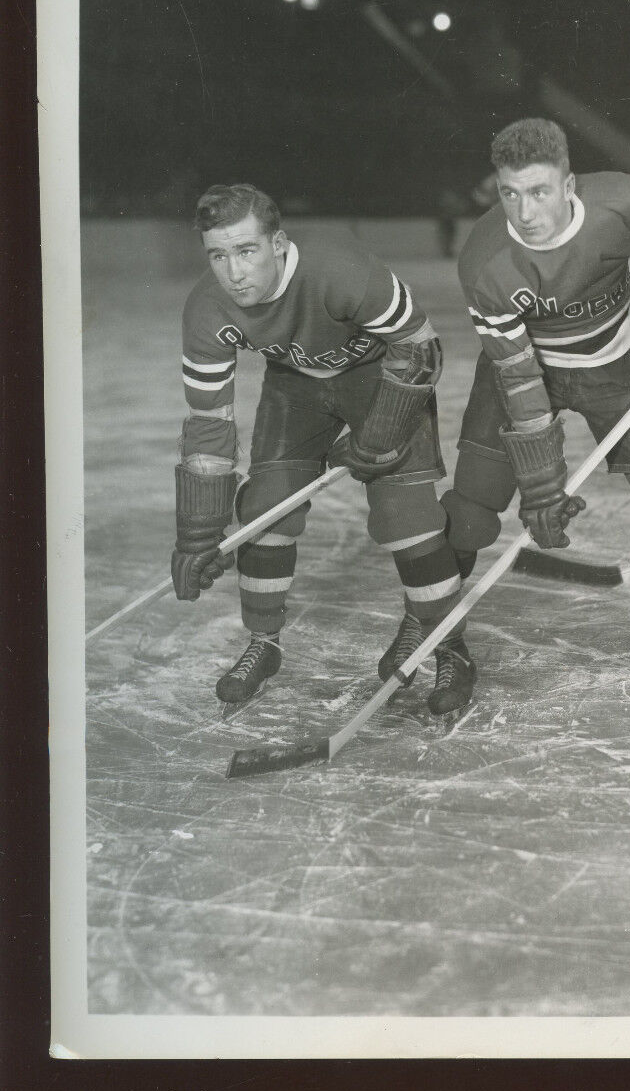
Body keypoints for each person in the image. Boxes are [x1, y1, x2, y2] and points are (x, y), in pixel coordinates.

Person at [392, 116, 630, 695]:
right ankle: (428, 626)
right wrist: (541, 486)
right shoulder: (485, 260)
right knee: (472, 507)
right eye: (510, 194)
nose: (524, 212)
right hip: (519, 372)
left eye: (539, 191)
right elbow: (519, 379)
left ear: (569, 186)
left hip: (616, 368)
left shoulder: (626, 202)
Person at [172, 183, 475, 718]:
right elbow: (208, 421)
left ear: (279, 244)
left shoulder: (341, 271)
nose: (234, 272)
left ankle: (450, 647)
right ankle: (263, 643)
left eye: (247, 251)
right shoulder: (207, 309)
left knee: (406, 516)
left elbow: (421, 350)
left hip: (384, 376)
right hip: (298, 385)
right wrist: (198, 532)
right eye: (218, 255)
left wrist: (379, 434)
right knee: (265, 507)